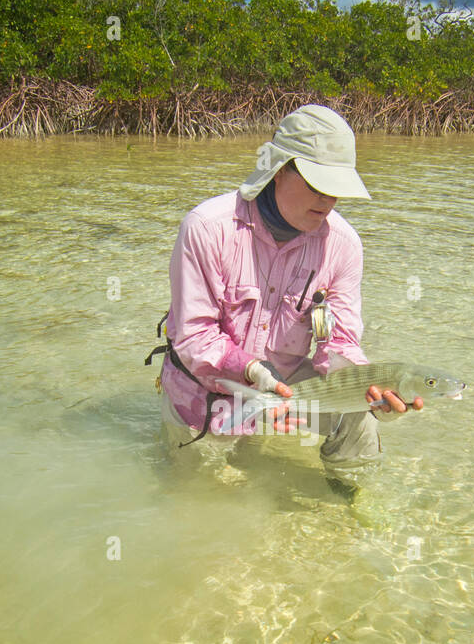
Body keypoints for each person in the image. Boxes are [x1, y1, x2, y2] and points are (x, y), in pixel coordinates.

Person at [151, 104, 423, 492]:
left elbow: (340, 341)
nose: (328, 201)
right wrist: (254, 372)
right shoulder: (207, 228)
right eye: (317, 185)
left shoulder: (344, 246)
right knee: (194, 493)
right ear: (280, 170)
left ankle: (352, 502)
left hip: (288, 384)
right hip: (203, 385)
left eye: (337, 190)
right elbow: (195, 337)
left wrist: (374, 392)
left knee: (358, 414)